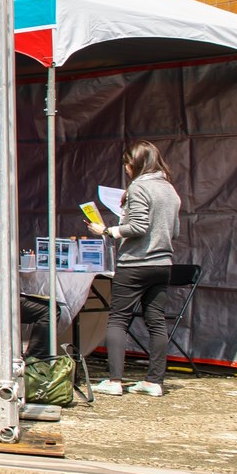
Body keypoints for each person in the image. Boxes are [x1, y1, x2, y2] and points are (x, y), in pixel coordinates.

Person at [88, 140, 184, 398]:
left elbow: (139, 226)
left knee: (119, 318)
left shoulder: (139, 187)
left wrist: (108, 230)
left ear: (137, 163)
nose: (126, 169)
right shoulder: (170, 190)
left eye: (127, 164)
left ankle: (114, 380)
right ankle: (154, 382)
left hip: (135, 264)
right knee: (156, 321)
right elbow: (173, 231)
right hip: (163, 264)